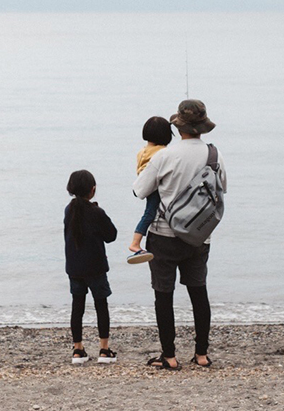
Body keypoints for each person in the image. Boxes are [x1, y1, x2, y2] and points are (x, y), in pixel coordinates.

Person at [132, 99, 227, 370]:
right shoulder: (214, 155)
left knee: (164, 295)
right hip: (199, 237)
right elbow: (222, 190)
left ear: (180, 127)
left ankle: (170, 357)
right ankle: (201, 354)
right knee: (199, 294)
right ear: (202, 127)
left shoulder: (165, 156)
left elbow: (139, 190)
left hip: (163, 235)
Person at [63, 169, 119, 364]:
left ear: (70, 189)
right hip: (95, 267)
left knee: (77, 307)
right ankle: (104, 349)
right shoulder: (96, 212)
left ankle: (78, 350)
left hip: (75, 268)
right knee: (101, 305)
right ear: (92, 190)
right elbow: (111, 235)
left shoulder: (69, 210)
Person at [127, 116, 174, 264]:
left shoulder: (143, 151)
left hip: (145, 182)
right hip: (155, 186)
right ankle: (135, 244)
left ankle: (136, 243)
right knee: (150, 213)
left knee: (149, 212)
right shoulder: (162, 152)